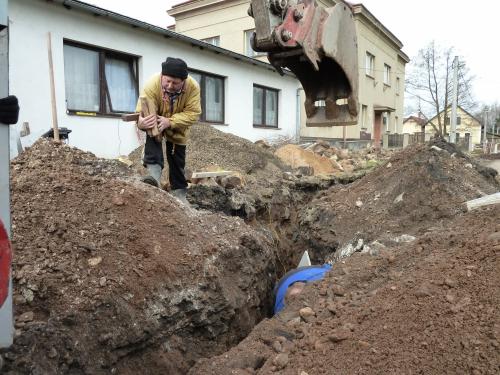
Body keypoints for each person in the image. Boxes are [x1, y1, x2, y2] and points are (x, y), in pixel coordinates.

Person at [136, 57, 201, 202]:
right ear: (162, 77)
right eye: (167, 81)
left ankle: (179, 193)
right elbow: (141, 109)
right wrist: (141, 123)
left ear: (183, 81)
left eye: (175, 83)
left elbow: (193, 113)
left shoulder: (193, 87)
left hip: (178, 126)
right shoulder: (152, 83)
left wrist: (170, 122)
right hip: (156, 120)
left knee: (177, 160)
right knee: (152, 138)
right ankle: (153, 181)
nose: (170, 86)